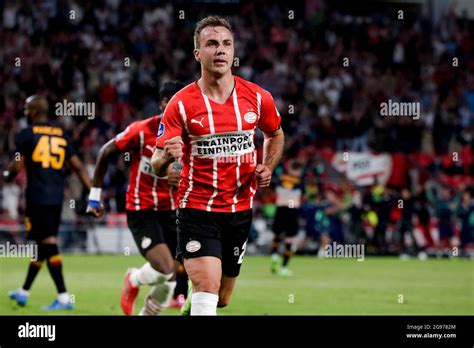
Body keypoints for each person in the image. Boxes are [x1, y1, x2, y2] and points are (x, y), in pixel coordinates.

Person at [151, 15, 284, 315]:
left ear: (234, 51)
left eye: (226, 43)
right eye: (211, 44)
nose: (220, 50)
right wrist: (165, 158)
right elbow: (157, 165)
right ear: (198, 53)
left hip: (239, 210)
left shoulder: (257, 97)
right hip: (197, 209)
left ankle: (191, 305)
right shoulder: (181, 104)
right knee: (207, 289)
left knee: (221, 298)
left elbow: (275, 133)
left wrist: (268, 165)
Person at [86, 81, 188, 315]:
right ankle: (133, 278)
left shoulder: (189, 136)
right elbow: (105, 152)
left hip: (173, 211)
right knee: (164, 268)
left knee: (174, 273)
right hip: (142, 209)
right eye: (172, 104)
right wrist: (94, 197)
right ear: (162, 104)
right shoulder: (142, 131)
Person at [6, 95, 94, 310]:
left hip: (37, 197)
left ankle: (63, 297)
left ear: (34, 111)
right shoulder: (61, 134)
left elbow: (17, 166)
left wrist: (7, 174)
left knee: (48, 244)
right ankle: (24, 292)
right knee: (41, 245)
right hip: (56, 198)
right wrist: (94, 195)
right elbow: (79, 167)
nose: (24, 112)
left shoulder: (26, 135)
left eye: (27, 108)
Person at [270, 159, 303, 276]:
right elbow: (303, 196)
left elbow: (273, 190)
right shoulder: (300, 182)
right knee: (289, 239)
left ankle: (274, 255)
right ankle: (284, 268)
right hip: (292, 211)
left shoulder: (280, 179)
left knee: (277, 235)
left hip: (280, 209)